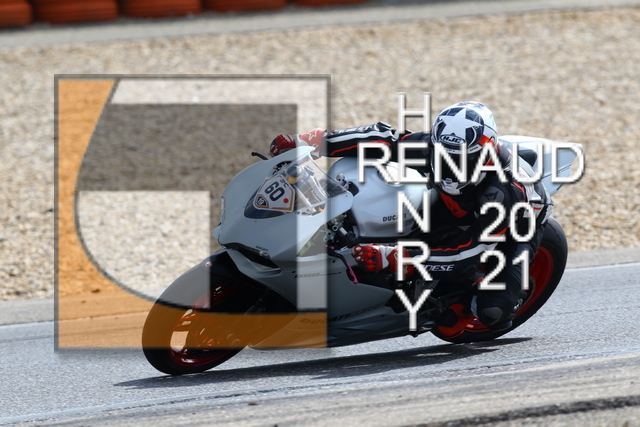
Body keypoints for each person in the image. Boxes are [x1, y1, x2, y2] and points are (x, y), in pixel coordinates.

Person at [269, 101, 553, 336]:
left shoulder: (503, 193)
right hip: (455, 205)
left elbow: (470, 251)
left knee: (492, 313)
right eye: (443, 155)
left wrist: (397, 257)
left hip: (512, 232)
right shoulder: (432, 146)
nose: (450, 164)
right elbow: (381, 138)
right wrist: (312, 140)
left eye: (460, 158)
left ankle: (471, 299)